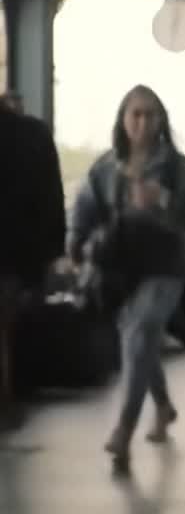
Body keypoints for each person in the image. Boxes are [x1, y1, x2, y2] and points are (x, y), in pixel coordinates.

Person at [68, 86, 185, 471]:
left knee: (139, 331)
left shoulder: (176, 167)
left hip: (165, 266)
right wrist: (75, 244)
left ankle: (123, 429)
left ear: (161, 121)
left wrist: (162, 200)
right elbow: (84, 209)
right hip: (121, 269)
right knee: (140, 339)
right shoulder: (106, 167)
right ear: (123, 119)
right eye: (135, 114)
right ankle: (163, 405)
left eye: (150, 115)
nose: (142, 123)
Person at [0, 105, 65, 429]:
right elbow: (53, 201)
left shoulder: (32, 135)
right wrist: (50, 256)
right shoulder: (34, 134)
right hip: (21, 259)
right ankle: (6, 405)